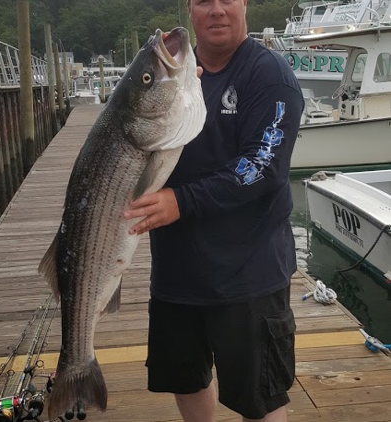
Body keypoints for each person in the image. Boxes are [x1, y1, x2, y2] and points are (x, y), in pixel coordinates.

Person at [123, 0, 305, 420]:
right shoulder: (172, 77)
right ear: (191, 9)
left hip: (248, 275)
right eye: (205, 0)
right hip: (176, 271)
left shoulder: (269, 76)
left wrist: (180, 201)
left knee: (259, 397)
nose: (217, 10)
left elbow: (264, 167)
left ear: (244, 4)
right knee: (187, 379)